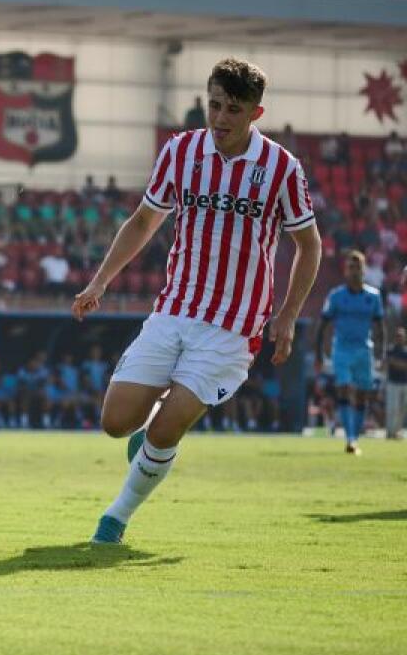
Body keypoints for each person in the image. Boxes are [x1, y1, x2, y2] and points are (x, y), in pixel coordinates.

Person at [72, 57, 321, 544]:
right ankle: (149, 437)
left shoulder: (281, 168)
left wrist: (288, 315)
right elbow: (144, 221)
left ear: (256, 112)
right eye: (213, 105)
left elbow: (309, 245)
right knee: (115, 423)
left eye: (233, 108)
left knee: (166, 432)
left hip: (234, 327)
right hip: (174, 310)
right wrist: (100, 281)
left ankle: (116, 519)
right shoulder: (180, 152)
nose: (220, 117)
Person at [316, 251, 385, 455]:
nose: (354, 271)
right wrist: (320, 354)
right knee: (344, 388)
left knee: (362, 395)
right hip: (342, 350)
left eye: (358, 267)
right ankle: (350, 438)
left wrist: (382, 354)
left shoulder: (373, 297)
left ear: (364, 270)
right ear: (346, 271)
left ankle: (354, 435)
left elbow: (380, 327)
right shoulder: (336, 296)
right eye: (351, 267)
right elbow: (323, 325)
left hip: (364, 350)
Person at [384, 327, 407, 439]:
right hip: (393, 382)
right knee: (392, 408)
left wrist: (396, 363)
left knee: (402, 409)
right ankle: (390, 431)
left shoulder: (405, 351)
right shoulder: (391, 350)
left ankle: (397, 431)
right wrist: (399, 364)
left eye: (401, 336)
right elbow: (386, 363)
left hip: (404, 383)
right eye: (398, 336)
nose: (399, 338)